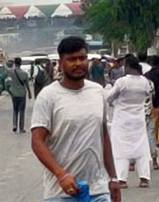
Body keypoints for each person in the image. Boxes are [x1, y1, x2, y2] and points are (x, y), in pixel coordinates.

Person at [31, 36, 121, 202]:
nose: (78, 63)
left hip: (98, 191)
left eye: (82, 58)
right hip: (61, 193)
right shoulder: (48, 96)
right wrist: (61, 174)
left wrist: (113, 178)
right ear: (61, 63)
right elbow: (37, 141)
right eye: (72, 59)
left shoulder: (98, 92)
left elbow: (103, 135)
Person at [107, 56, 153, 188]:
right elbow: (147, 95)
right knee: (141, 147)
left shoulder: (122, 82)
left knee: (120, 149)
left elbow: (109, 97)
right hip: (138, 118)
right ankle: (144, 178)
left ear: (127, 66)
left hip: (122, 119)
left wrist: (115, 102)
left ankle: (122, 179)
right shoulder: (145, 81)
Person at [144, 55, 159, 167]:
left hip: (145, 109)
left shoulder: (147, 77)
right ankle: (154, 159)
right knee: (153, 131)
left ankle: (132, 163)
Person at [8, 57, 32, 133]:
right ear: (21, 63)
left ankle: (14, 125)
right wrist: (29, 93)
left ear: (15, 63)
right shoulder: (24, 73)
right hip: (22, 94)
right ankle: (21, 128)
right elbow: (27, 85)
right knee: (21, 111)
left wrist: (3, 60)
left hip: (14, 93)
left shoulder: (11, 72)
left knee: (15, 110)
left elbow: (5, 68)